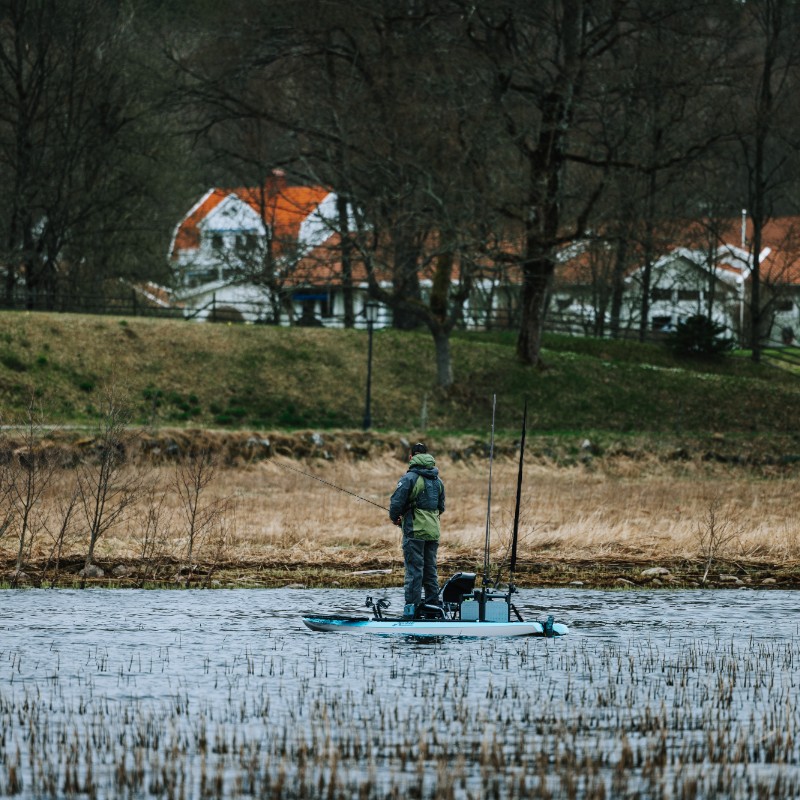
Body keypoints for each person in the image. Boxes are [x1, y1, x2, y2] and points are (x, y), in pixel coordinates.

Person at [389, 442, 445, 619]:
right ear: (427, 456)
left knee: (414, 571)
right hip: (433, 532)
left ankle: (411, 611)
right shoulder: (438, 481)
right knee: (430, 571)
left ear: (411, 457)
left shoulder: (409, 478)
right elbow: (441, 507)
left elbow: (396, 504)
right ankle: (433, 608)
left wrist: (396, 518)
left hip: (414, 532)